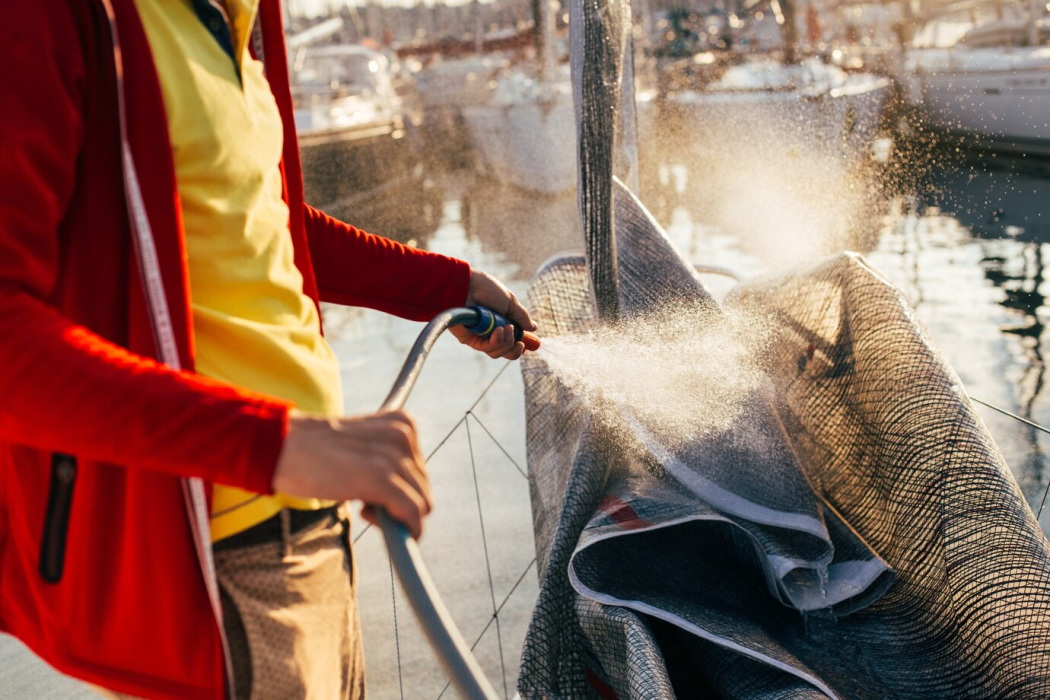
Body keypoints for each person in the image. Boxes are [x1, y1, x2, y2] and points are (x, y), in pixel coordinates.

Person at [0, 0, 536, 698]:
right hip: (225, 558)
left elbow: (263, 220)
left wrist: (446, 283)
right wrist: (279, 445)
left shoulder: (237, 14)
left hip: (313, 520)